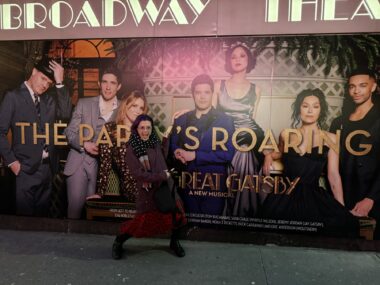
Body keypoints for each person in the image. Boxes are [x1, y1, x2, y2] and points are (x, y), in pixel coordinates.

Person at [262, 88, 358, 236]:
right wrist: (268, 156)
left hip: (312, 195)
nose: (310, 111)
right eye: (305, 106)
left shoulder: (331, 138)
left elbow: (333, 175)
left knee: (342, 223)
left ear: (321, 110)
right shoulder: (286, 134)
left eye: (315, 106)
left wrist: (342, 207)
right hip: (284, 194)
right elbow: (280, 153)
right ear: (299, 108)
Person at [0, 58, 71, 216]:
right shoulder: (13, 96)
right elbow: (0, 132)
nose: (45, 85)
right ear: (33, 72)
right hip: (24, 169)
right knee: (25, 223)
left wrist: (59, 82)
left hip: (47, 169)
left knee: (42, 221)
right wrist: (12, 162)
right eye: (43, 78)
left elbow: (66, 113)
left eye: (49, 83)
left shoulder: (49, 100)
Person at [112, 114, 187, 260]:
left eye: (148, 127)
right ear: (136, 129)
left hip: (166, 187)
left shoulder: (154, 142)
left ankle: (174, 242)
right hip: (149, 193)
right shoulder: (131, 149)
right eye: (142, 128)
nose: (145, 131)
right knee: (141, 224)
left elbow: (163, 156)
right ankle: (118, 241)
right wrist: (162, 176)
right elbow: (139, 175)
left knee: (177, 217)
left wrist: (166, 136)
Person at [213, 43, 266, 217]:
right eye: (233, 56)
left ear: (248, 60)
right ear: (229, 61)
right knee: (233, 154)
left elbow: (253, 122)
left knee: (244, 153)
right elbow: (209, 115)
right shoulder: (218, 84)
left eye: (242, 56)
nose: (237, 59)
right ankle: (227, 214)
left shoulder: (256, 90)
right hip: (223, 137)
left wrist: (268, 152)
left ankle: (240, 215)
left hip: (247, 139)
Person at [169, 74, 235, 216]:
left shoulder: (226, 121)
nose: (202, 97)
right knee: (189, 224)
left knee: (210, 229)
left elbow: (228, 154)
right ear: (193, 94)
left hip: (214, 184)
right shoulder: (181, 120)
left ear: (212, 93)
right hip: (187, 183)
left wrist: (194, 155)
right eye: (198, 92)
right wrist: (176, 152)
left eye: (206, 92)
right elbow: (173, 146)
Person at [64, 67, 121, 219]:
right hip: (79, 161)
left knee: (96, 214)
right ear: (99, 83)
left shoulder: (123, 108)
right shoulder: (84, 103)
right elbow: (69, 132)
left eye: (113, 83)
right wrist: (84, 144)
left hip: (106, 169)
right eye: (104, 82)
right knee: (75, 211)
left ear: (119, 86)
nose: (108, 87)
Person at [330, 68, 380, 239]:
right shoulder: (339, 122)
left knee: (366, 243)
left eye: (362, 85)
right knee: (342, 242)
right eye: (352, 87)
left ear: (373, 87)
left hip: (372, 197)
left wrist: (370, 199)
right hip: (343, 195)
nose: (356, 91)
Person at [93, 90, 148, 199]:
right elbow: (105, 164)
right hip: (132, 189)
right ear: (125, 105)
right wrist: (99, 193)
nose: (138, 111)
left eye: (141, 108)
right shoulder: (110, 129)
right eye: (134, 106)